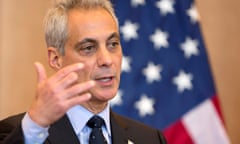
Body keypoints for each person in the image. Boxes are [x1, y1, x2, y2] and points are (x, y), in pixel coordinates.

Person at [0, 0, 167, 144]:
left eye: (113, 44)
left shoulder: (149, 138)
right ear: (56, 58)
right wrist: (37, 124)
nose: (107, 60)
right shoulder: (20, 132)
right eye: (88, 48)